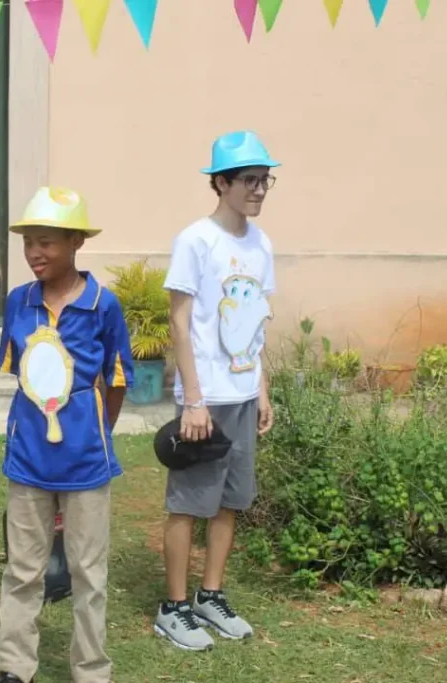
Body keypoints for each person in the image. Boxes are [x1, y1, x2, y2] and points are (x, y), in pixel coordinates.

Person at [0, 187, 135, 683]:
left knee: (88, 575)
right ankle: (15, 665)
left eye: (47, 242)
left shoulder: (103, 306)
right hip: (28, 458)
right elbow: (23, 376)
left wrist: (94, 431)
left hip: (86, 460)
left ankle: (91, 669)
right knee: (22, 569)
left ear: (76, 242)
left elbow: (116, 381)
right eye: (29, 242)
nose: (35, 252)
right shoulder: (19, 302)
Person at [154, 131, 278, 651]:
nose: (259, 189)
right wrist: (194, 399)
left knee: (230, 501)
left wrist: (263, 389)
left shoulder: (262, 243)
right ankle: (174, 607)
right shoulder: (196, 241)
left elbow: (257, 323)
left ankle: (211, 594)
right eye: (249, 180)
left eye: (264, 180)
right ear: (221, 182)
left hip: (245, 394)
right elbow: (179, 323)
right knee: (189, 503)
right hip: (206, 400)